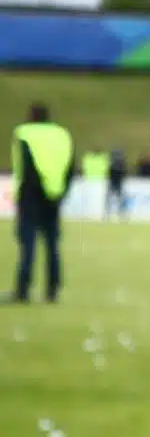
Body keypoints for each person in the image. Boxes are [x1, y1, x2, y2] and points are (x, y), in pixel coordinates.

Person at [9, 103, 73, 304]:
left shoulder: (24, 133)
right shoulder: (62, 134)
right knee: (52, 245)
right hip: (54, 196)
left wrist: (25, 193)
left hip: (30, 195)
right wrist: (61, 192)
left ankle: (23, 289)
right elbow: (70, 165)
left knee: (28, 245)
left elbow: (27, 166)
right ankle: (52, 290)